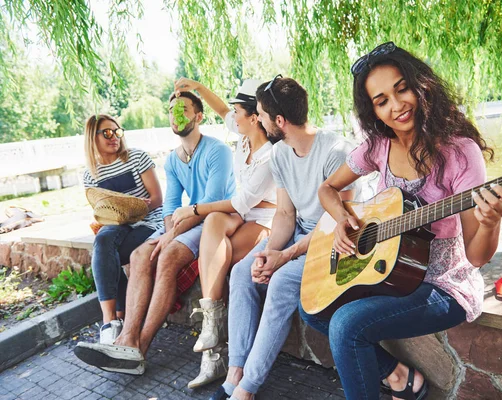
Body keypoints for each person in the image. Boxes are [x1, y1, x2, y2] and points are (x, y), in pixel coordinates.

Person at [300, 42, 502, 400]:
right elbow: (327, 189)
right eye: (382, 100)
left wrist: (491, 222)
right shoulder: (377, 147)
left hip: (445, 283)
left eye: (402, 89)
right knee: (313, 308)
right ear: (374, 112)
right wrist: (342, 220)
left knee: (347, 324)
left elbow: (477, 257)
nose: (397, 106)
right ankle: (398, 375)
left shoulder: (460, 152)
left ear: (421, 85)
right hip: (393, 271)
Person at [208, 75, 355, 400]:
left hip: (335, 241)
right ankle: (235, 374)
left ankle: (246, 389)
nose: (255, 119)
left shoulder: (335, 151)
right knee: (242, 272)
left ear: (279, 120)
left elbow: (337, 224)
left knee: (282, 280)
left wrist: (284, 257)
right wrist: (268, 252)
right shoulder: (280, 155)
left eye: (260, 113)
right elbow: (286, 215)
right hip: (300, 233)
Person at [74, 92, 236, 375]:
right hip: (187, 219)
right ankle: (126, 339)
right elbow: (171, 204)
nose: (177, 115)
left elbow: (210, 202)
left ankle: (140, 349)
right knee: (139, 255)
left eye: (184, 109)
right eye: (172, 110)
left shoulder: (216, 150)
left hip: (215, 219)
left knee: (168, 256)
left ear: (199, 116)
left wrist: (169, 235)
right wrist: (168, 228)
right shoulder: (173, 160)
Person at [169, 77, 278, 389]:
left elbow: (242, 200)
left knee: (214, 247)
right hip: (241, 215)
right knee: (215, 222)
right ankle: (213, 325)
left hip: (265, 219)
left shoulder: (269, 154)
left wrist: (193, 209)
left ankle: (213, 354)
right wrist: (196, 87)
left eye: (237, 111)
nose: (231, 116)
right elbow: (219, 109)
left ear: (254, 117)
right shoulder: (244, 138)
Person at [81, 114, 163, 347]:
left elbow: (157, 199)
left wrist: (135, 207)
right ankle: (110, 322)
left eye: (117, 132)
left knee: (109, 255)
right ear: (92, 138)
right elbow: (103, 211)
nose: (114, 137)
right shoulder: (91, 174)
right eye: (107, 132)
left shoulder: (136, 157)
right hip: (117, 224)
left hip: (148, 221)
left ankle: (122, 318)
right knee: (103, 242)